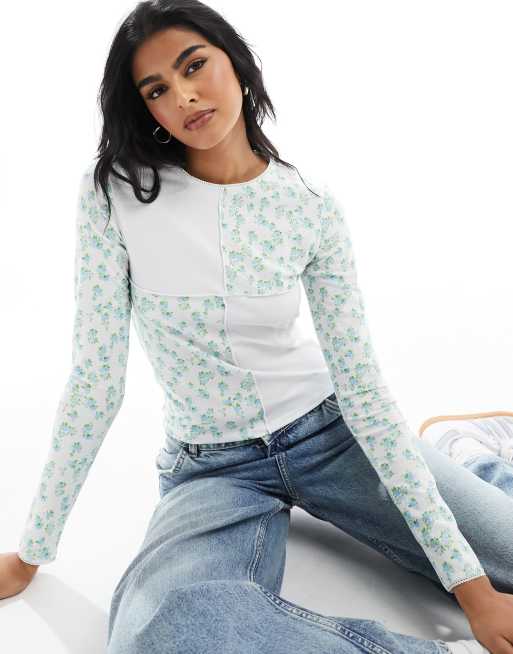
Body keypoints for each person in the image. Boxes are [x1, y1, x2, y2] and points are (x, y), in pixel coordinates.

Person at [1, 1, 512, 652]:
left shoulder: (308, 207)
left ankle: (472, 457)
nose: (183, 95)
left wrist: (472, 589)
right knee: (159, 632)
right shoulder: (116, 195)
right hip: (211, 469)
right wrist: (32, 552)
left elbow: (363, 392)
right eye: (156, 89)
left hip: (332, 434)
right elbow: (95, 381)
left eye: (194, 66)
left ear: (237, 64)